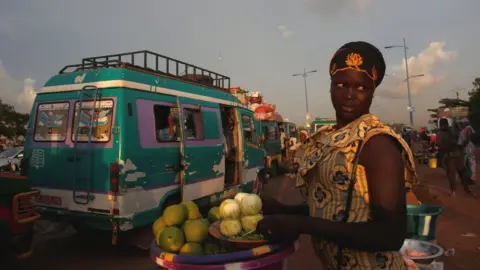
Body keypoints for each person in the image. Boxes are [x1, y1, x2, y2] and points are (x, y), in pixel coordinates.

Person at [257, 41, 419, 269]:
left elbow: (390, 235)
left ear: (373, 91)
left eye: (361, 87)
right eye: (341, 85)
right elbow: (335, 209)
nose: (350, 95)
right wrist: (285, 210)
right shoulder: (330, 138)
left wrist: (300, 224)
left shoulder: (376, 143)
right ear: (331, 87)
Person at [436, 118, 473, 196]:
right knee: (462, 172)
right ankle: (466, 189)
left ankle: (453, 191)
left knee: (451, 174)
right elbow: (458, 139)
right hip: (457, 154)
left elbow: (440, 145)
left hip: (449, 155)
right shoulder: (451, 131)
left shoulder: (439, 133)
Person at [458, 118, 476, 184]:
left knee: (469, 164)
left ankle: (471, 179)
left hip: (467, 148)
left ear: (465, 122)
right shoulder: (463, 129)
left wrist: (461, 145)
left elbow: (467, 139)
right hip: (465, 148)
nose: (460, 124)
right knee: (467, 164)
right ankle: (469, 178)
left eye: (461, 123)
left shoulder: (468, 128)